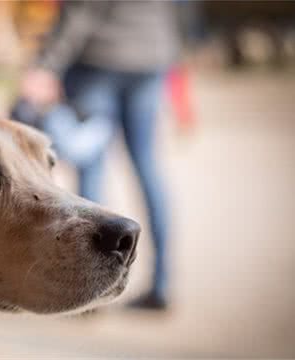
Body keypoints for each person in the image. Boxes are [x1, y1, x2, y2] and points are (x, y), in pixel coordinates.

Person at [20, 1, 179, 310]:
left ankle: (90, 290)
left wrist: (46, 65)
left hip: (98, 60)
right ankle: (161, 284)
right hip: (152, 57)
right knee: (148, 166)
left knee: (91, 166)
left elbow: (82, 9)